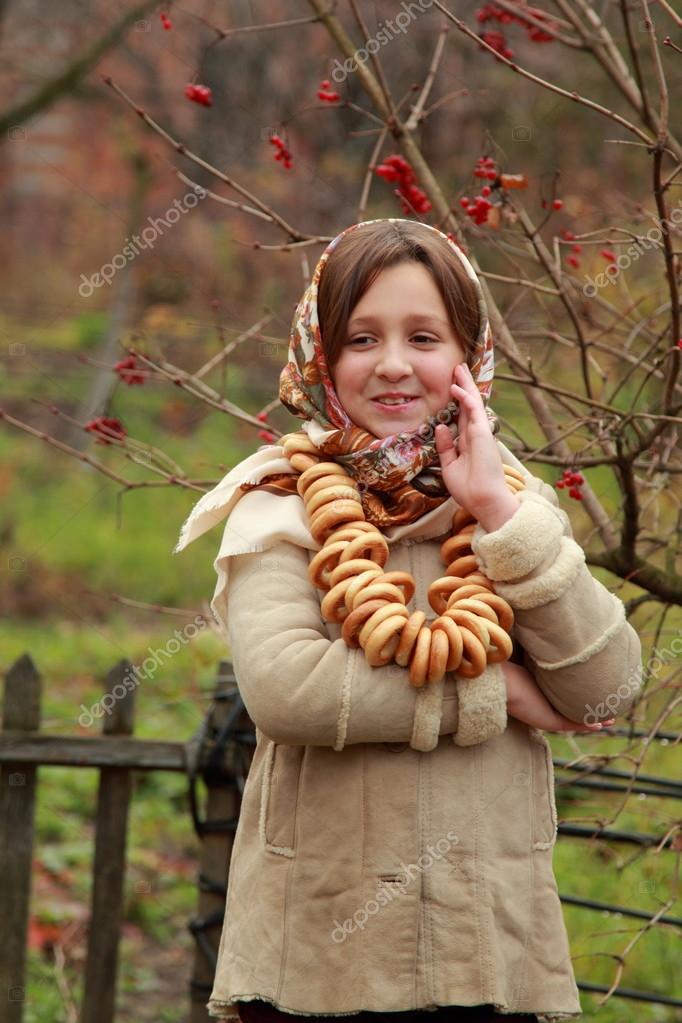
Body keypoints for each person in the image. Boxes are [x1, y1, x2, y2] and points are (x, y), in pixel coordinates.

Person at [174, 219, 642, 1023]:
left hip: (485, 948)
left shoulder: (515, 508)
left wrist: (495, 508)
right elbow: (291, 693)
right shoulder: (276, 506)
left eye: (423, 336)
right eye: (360, 338)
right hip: (317, 959)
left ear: (468, 357)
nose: (392, 364)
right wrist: (495, 693)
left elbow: (608, 686)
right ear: (321, 357)